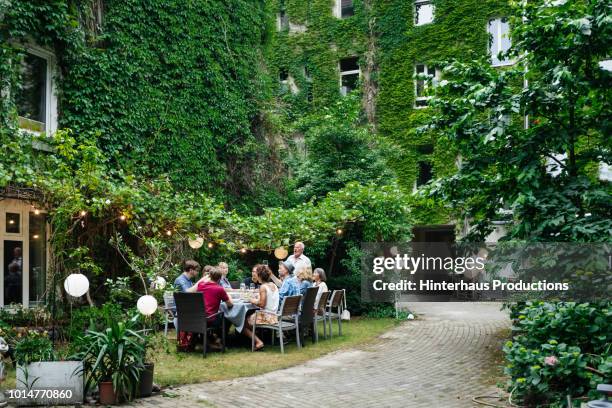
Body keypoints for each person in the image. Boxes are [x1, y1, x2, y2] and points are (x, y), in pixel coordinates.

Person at [243, 264, 279, 351]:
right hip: (274, 316)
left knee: (242, 324)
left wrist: (251, 300)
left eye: (257, 274)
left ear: (260, 275)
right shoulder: (273, 285)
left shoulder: (263, 287)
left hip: (266, 316)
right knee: (248, 319)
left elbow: (262, 304)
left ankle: (258, 342)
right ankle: (251, 340)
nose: (255, 275)